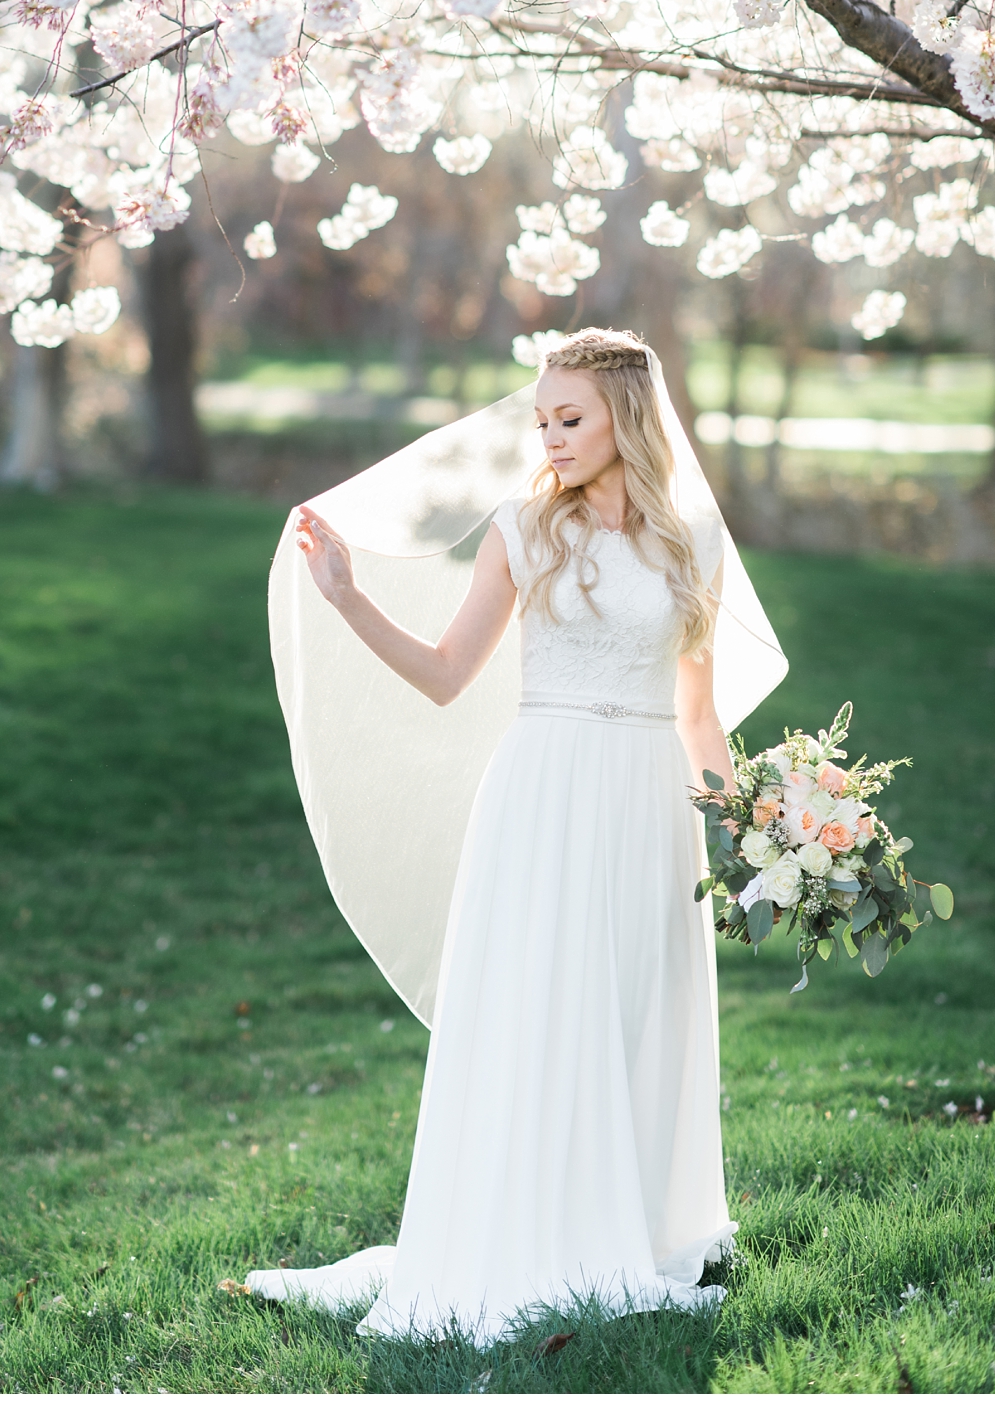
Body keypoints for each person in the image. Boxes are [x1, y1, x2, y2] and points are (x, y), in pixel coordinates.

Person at [249, 328, 785, 1344]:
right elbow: (448, 672)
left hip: (646, 795)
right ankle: (520, 1223)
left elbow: (699, 712)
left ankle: (636, 1221)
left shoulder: (692, 541)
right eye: (542, 416)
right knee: (543, 1003)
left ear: (626, 415)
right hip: (544, 790)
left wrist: (748, 830)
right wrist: (347, 595)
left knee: (636, 1001)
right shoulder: (523, 528)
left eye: (568, 415)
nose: (549, 433)